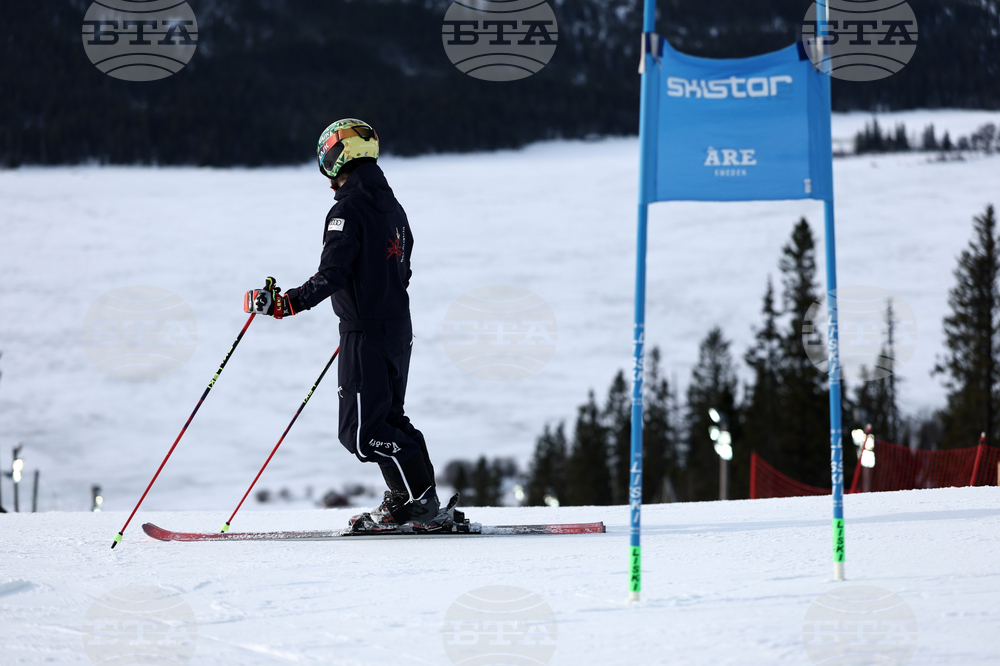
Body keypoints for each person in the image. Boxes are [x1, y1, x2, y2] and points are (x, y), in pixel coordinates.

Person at [243, 118, 450, 531]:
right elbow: (401, 270)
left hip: (366, 332)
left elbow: (334, 273)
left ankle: (421, 504)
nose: (327, 175)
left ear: (338, 156)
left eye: (327, 160)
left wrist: (286, 304)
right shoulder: (393, 207)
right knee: (390, 420)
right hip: (395, 329)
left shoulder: (348, 210)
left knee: (362, 435)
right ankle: (411, 500)